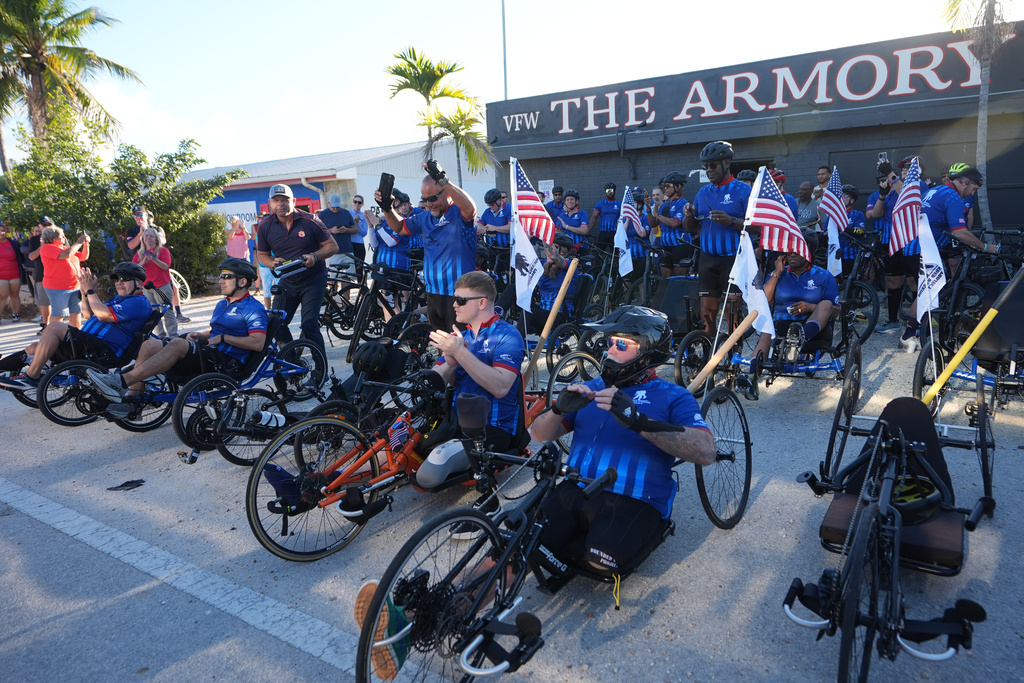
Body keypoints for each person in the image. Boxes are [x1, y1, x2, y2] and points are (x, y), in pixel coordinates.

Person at [528, 305, 714, 579]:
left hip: (636, 498)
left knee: (601, 562)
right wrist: (558, 409)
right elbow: (538, 435)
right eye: (608, 342)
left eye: (621, 344)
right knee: (523, 541)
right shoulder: (591, 388)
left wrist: (638, 421)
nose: (609, 351)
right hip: (576, 488)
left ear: (648, 350)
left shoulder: (673, 396)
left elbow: (706, 451)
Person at [88, 258, 268, 416]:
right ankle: (133, 400)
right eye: (221, 276)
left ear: (243, 281)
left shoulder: (253, 308)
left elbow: (258, 343)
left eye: (226, 277)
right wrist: (201, 334)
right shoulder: (223, 304)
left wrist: (223, 339)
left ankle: (121, 381)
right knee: (151, 344)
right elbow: (214, 332)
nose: (220, 280)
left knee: (177, 344)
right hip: (209, 354)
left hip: (228, 361)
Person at [413, 271, 527, 493]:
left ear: (482, 302)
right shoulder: (460, 336)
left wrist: (461, 354)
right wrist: (448, 362)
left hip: (491, 428)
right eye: (454, 298)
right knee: (398, 447)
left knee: (429, 476)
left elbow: (501, 387)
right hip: (456, 421)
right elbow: (437, 378)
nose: (454, 305)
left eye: (461, 300)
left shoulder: (508, 335)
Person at [0, 262, 152, 390]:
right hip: (90, 344)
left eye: (123, 279)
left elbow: (103, 315)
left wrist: (92, 291)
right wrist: (84, 291)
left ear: (139, 283)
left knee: (54, 326)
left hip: (105, 350)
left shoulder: (138, 302)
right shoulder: (120, 299)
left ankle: (31, 377)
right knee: (36, 347)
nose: (118, 282)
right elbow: (88, 314)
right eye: (116, 279)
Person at [375, 159, 477, 333]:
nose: (428, 204)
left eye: (432, 199)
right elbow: (399, 227)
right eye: (425, 199)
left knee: (461, 349)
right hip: (434, 294)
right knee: (442, 347)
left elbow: (470, 208)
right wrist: (387, 208)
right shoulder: (424, 217)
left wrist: (444, 180)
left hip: (459, 294)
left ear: (447, 193)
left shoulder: (459, 214)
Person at [256, 183, 338, 355]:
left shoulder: (311, 221)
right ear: (270, 203)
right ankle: (292, 364)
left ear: (293, 201)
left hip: (313, 280)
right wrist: (272, 262)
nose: (280, 204)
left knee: (309, 324)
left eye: (284, 200)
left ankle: (319, 369)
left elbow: (332, 246)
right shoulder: (265, 226)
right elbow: (262, 255)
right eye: (276, 200)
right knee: (276, 323)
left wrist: (314, 256)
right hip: (288, 281)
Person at [682, 141, 752, 332]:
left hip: (733, 259)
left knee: (732, 312)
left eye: (713, 165)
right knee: (706, 314)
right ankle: (709, 356)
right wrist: (688, 215)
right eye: (706, 167)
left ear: (727, 162)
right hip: (707, 259)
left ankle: (732, 357)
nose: (709, 170)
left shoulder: (743, 190)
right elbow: (690, 228)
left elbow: (759, 227)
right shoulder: (703, 192)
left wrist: (731, 221)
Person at [40, 224, 89, 328]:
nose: (64, 237)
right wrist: (78, 242)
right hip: (58, 287)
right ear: (52, 238)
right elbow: (66, 254)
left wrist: (86, 244)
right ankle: (55, 336)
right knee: (59, 314)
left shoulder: (64, 247)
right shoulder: (47, 248)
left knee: (76, 312)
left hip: (74, 286)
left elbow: (83, 257)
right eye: (61, 235)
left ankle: (76, 335)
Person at [133, 227, 177, 337]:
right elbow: (134, 269)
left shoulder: (163, 251)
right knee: (154, 314)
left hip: (162, 286)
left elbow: (166, 266)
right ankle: (161, 337)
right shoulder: (138, 254)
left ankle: (173, 336)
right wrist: (143, 261)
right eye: (146, 236)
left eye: (151, 236)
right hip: (147, 288)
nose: (149, 238)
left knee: (167, 312)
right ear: (143, 239)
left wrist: (154, 259)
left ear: (156, 239)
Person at [649, 172, 691, 277]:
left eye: (668, 186)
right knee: (666, 279)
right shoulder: (665, 205)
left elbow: (675, 223)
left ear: (677, 187)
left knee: (680, 279)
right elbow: (653, 225)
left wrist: (657, 215)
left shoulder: (683, 204)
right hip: (665, 246)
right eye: (664, 186)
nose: (665, 188)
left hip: (679, 246)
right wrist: (649, 210)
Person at [833, 185, 868, 277]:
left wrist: (844, 228)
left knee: (847, 280)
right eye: (840, 195)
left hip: (850, 254)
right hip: (833, 254)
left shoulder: (857, 214)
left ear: (852, 200)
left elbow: (860, 231)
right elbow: (823, 233)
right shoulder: (832, 215)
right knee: (833, 280)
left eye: (845, 196)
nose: (842, 198)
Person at [476, 188, 511, 278]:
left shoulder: (509, 209)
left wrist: (495, 228)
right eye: (489, 205)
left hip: (507, 249)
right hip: (492, 248)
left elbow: (511, 227)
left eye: (492, 204)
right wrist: (487, 229)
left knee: (508, 273)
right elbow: (479, 226)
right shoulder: (487, 212)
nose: (491, 207)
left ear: (499, 200)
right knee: (494, 272)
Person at [317, 194, 357, 273]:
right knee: (332, 278)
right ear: (329, 203)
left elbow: (355, 230)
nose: (335, 209)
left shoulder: (346, 213)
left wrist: (345, 230)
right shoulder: (322, 215)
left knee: (348, 279)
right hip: (331, 252)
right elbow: (317, 233)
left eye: (337, 207)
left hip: (347, 251)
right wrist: (331, 231)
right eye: (333, 207)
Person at [0, 220, 25, 323]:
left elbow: (21, 257)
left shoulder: (14, 243)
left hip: (15, 273)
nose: (2, 233)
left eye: (2, 230)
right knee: (3, 295)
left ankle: (15, 314)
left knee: (14, 294)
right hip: (1, 275)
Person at [588, 182, 621, 249]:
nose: (609, 192)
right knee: (597, 253)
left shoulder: (620, 204)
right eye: (607, 190)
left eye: (611, 190)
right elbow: (594, 218)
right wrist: (587, 230)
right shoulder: (600, 204)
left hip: (615, 233)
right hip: (603, 232)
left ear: (614, 191)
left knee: (616, 254)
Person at [351, 195, 369, 262]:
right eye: (355, 202)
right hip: (349, 243)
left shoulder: (364, 216)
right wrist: (353, 222)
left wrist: (358, 224)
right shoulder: (347, 213)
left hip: (359, 243)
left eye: (359, 202)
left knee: (359, 268)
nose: (357, 204)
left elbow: (364, 233)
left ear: (362, 204)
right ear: (352, 202)